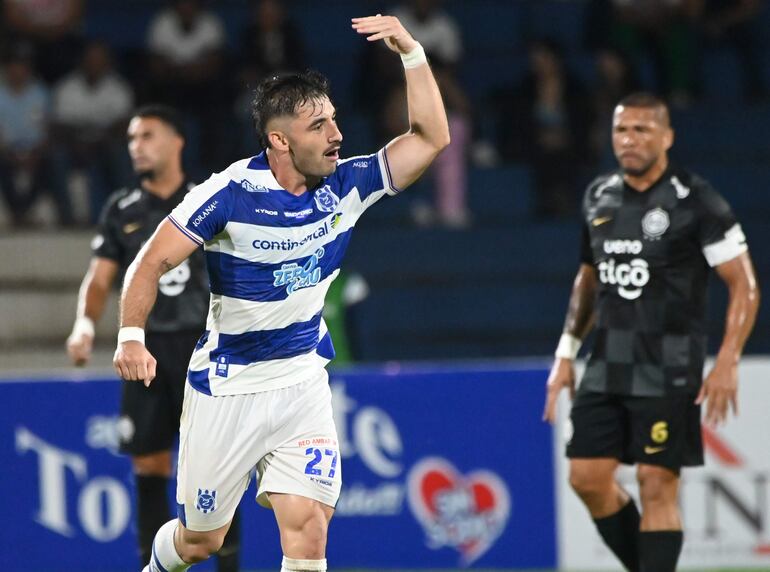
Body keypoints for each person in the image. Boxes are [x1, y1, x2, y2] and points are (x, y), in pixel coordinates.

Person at [113, 14, 449, 572]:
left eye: (335, 120)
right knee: (202, 543)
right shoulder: (229, 194)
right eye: (319, 126)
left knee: (309, 532)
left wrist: (411, 53)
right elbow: (148, 263)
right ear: (279, 139)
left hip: (301, 385)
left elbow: (433, 138)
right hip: (230, 389)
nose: (337, 135)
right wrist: (130, 337)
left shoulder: (348, 184)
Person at [543, 92, 760, 572]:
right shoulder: (599, 194)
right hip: (605, 363)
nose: (629, 139)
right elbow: (588, 277)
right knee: (586, 477)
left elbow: (743, 284)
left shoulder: (697, 199)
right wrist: (565, 353)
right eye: (622, 129)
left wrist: (727, 361)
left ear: (667, 137)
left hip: (669, 367)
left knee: (657, 485)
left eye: (642, 130)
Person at [66, 105, 240, 571]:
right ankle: (154, 565)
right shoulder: (122, 208)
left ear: (177, 140)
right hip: (146, 351)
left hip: (205, 350)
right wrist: (85, 325)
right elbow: (99, 279)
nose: (136, 146)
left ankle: (228, 567)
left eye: (147, 135)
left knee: (221, 468)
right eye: (131, 138)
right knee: (150, 464)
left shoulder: (209, 197)